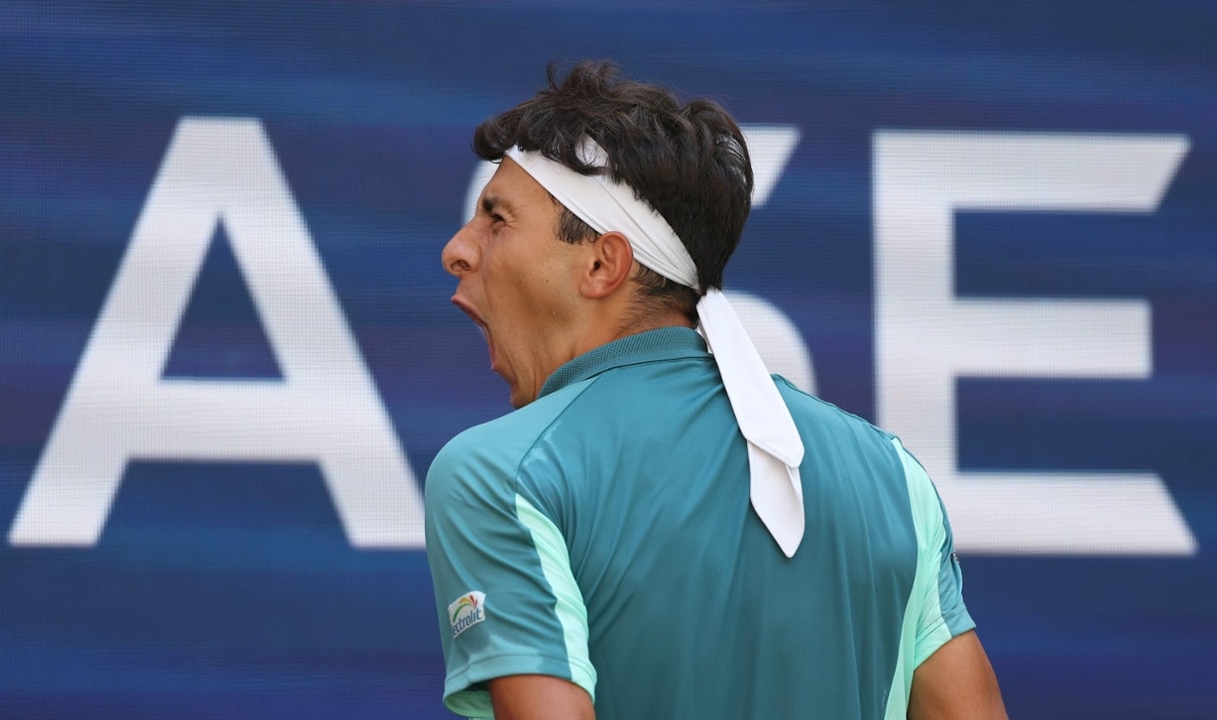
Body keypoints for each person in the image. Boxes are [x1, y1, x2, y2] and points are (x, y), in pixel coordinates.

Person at [424, 60, 1007, 720]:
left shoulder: (502, 474)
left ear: (600, 264)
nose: (458, 248)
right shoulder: (893, 475)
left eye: (497, 219)